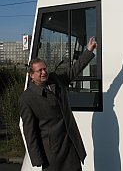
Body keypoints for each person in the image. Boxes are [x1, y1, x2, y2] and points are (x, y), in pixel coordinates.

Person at [19, 37, 97, 171]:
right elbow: (30, 132)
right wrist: (37, 159)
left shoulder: (55, 80)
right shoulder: (27, 98)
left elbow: (73, 71)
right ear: (31, 75)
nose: (44, 72)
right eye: (40, 71)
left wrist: (88, 51)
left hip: (71, 147)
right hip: (53, 155)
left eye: (45, 69)